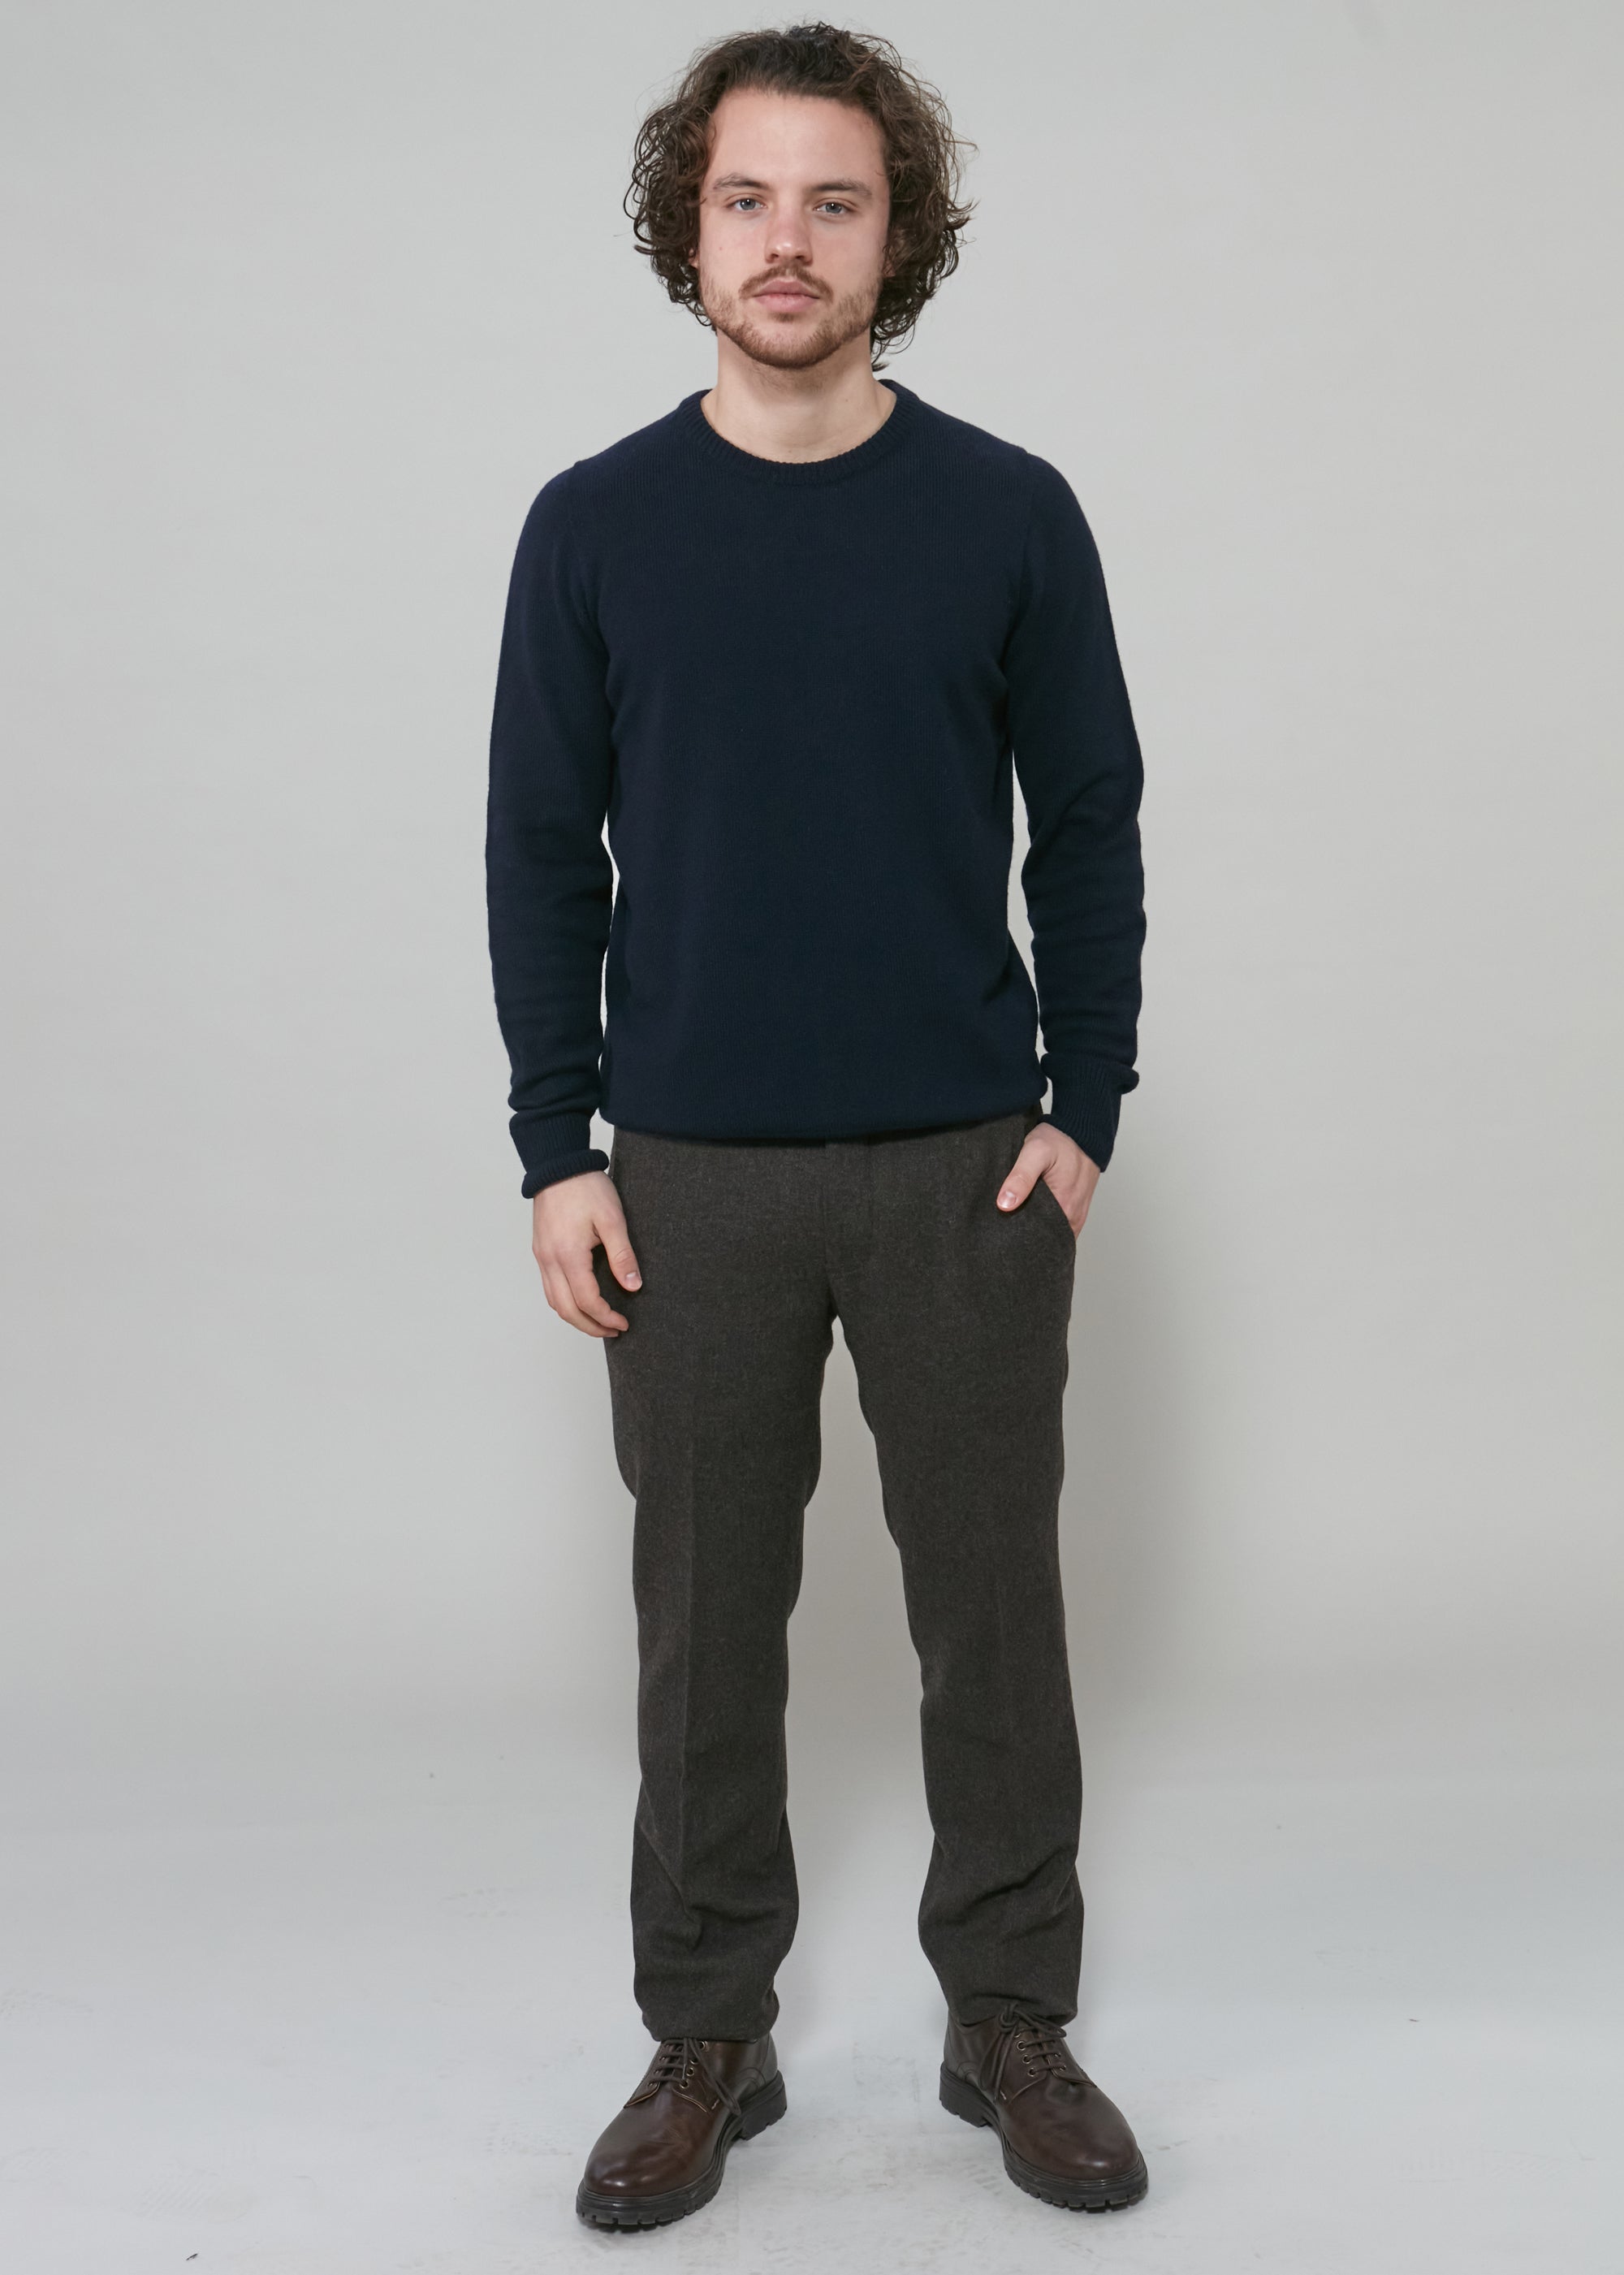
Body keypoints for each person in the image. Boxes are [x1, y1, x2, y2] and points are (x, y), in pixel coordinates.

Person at [485, 20, 1148, 2232]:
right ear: (690, 226)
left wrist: (1084, 1108)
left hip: (967, 1169)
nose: (788, 241)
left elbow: (1092, 821)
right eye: (748, 197)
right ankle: (709, 2032)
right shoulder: (593, 527)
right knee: (704, 1624)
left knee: (994, 1614)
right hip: (685, 1181)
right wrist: (559, 1149)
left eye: (834, 202)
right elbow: (537, 854)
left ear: (898, 237)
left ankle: (1011, 2019)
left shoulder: (1008, 513)